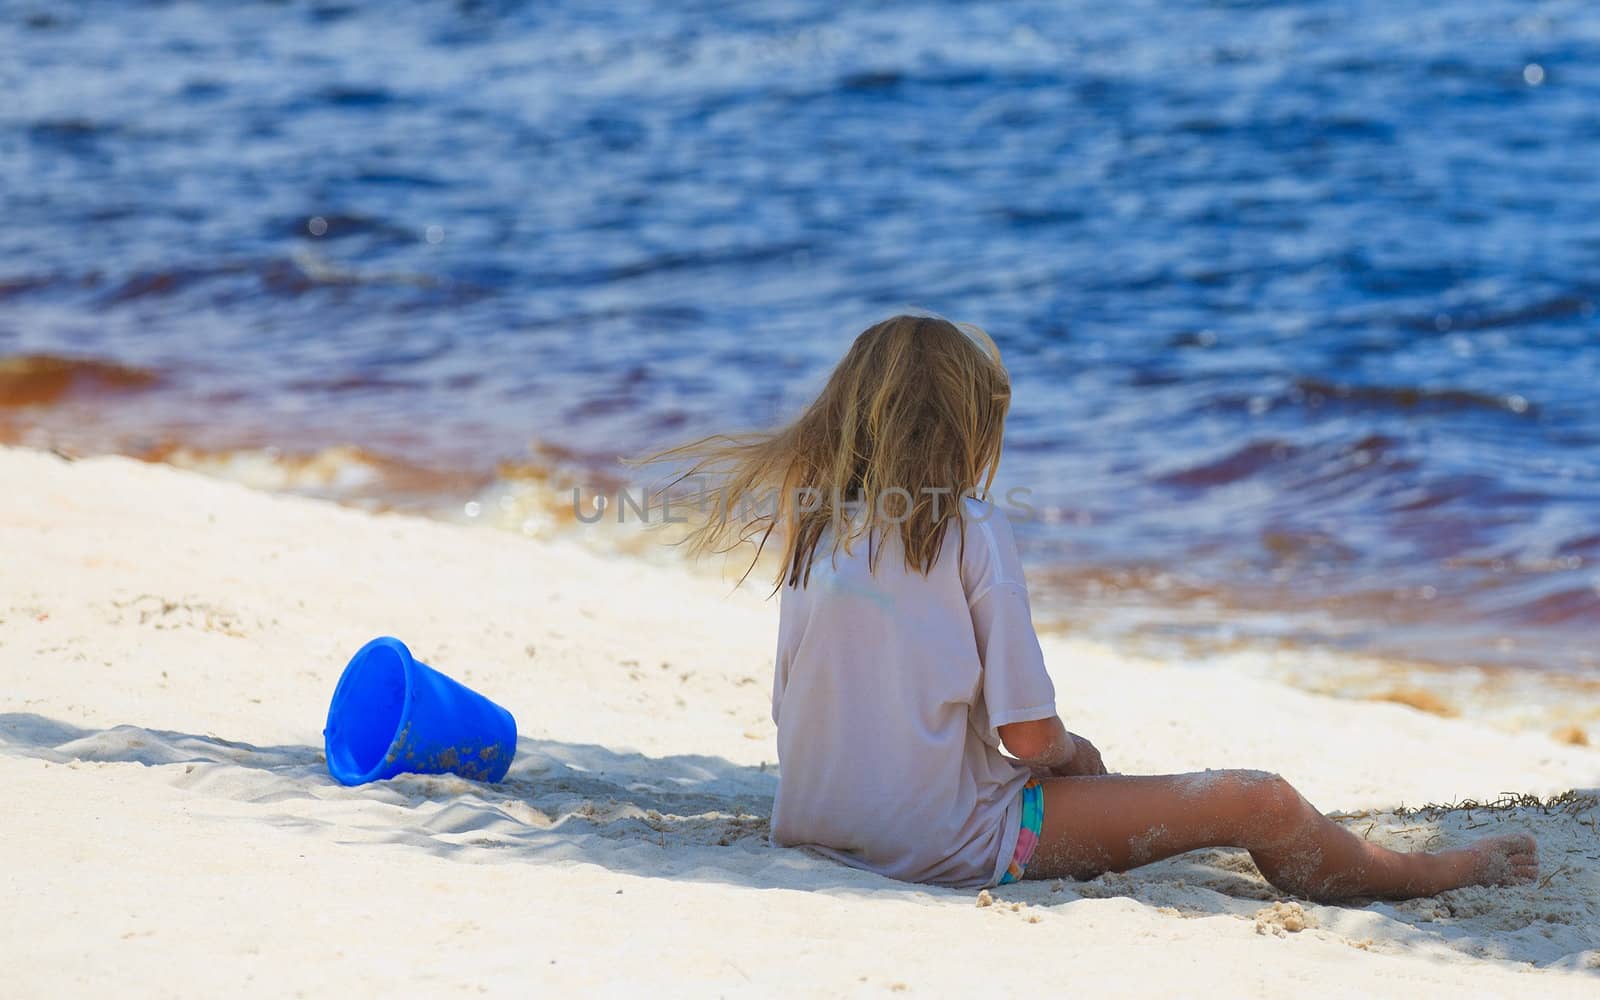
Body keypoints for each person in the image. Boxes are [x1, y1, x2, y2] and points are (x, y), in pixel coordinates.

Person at [640, 314, 1538, 898]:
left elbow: (797, 702)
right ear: (967, 432)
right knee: (1257, 801)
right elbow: (1028, 739)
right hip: (945, 845)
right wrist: (1074, 756)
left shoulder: (815, 530)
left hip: (817, 824)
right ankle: (1430, 873)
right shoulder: (969, 528)